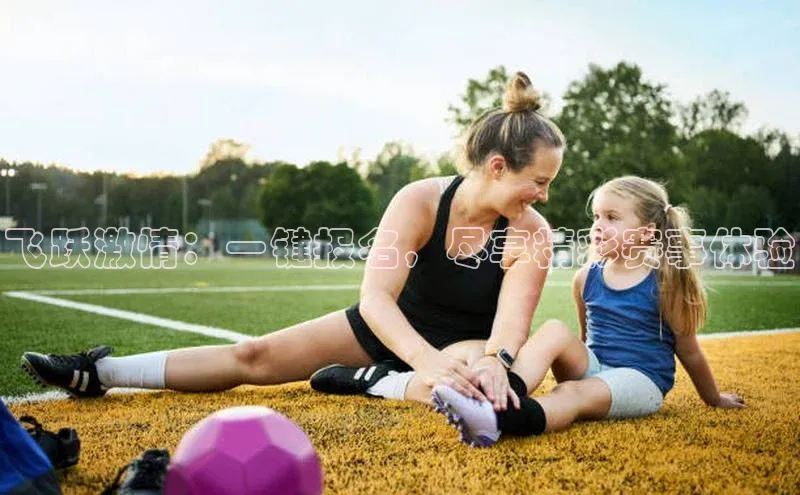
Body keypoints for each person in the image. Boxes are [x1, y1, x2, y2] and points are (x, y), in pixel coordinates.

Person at [20, 72, 564, 411]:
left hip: (460, 346)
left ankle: (377, 383)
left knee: (474, 386)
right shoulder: (420, 201)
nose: (544, 196)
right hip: (389, 327)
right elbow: (376, 299)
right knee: (254, 356)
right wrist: (420, 358)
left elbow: (507, 332)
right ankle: (101, 372)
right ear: (497, 166)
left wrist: (492, 362)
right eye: (539, 181)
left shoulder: (532, 233)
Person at [430, 176, 746, 447]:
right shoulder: (586, 277)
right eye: (596, 217)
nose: (598, 226)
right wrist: (578, 358)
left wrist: (714, 398)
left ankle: (502, 419)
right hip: (595, 366)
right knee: (555, 329)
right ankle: (496, 393)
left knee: (570, 392)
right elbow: (582, 339)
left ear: (647, 232)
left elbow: (689, 352)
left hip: (640, 381)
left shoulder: (665, 284)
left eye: (612, 217)